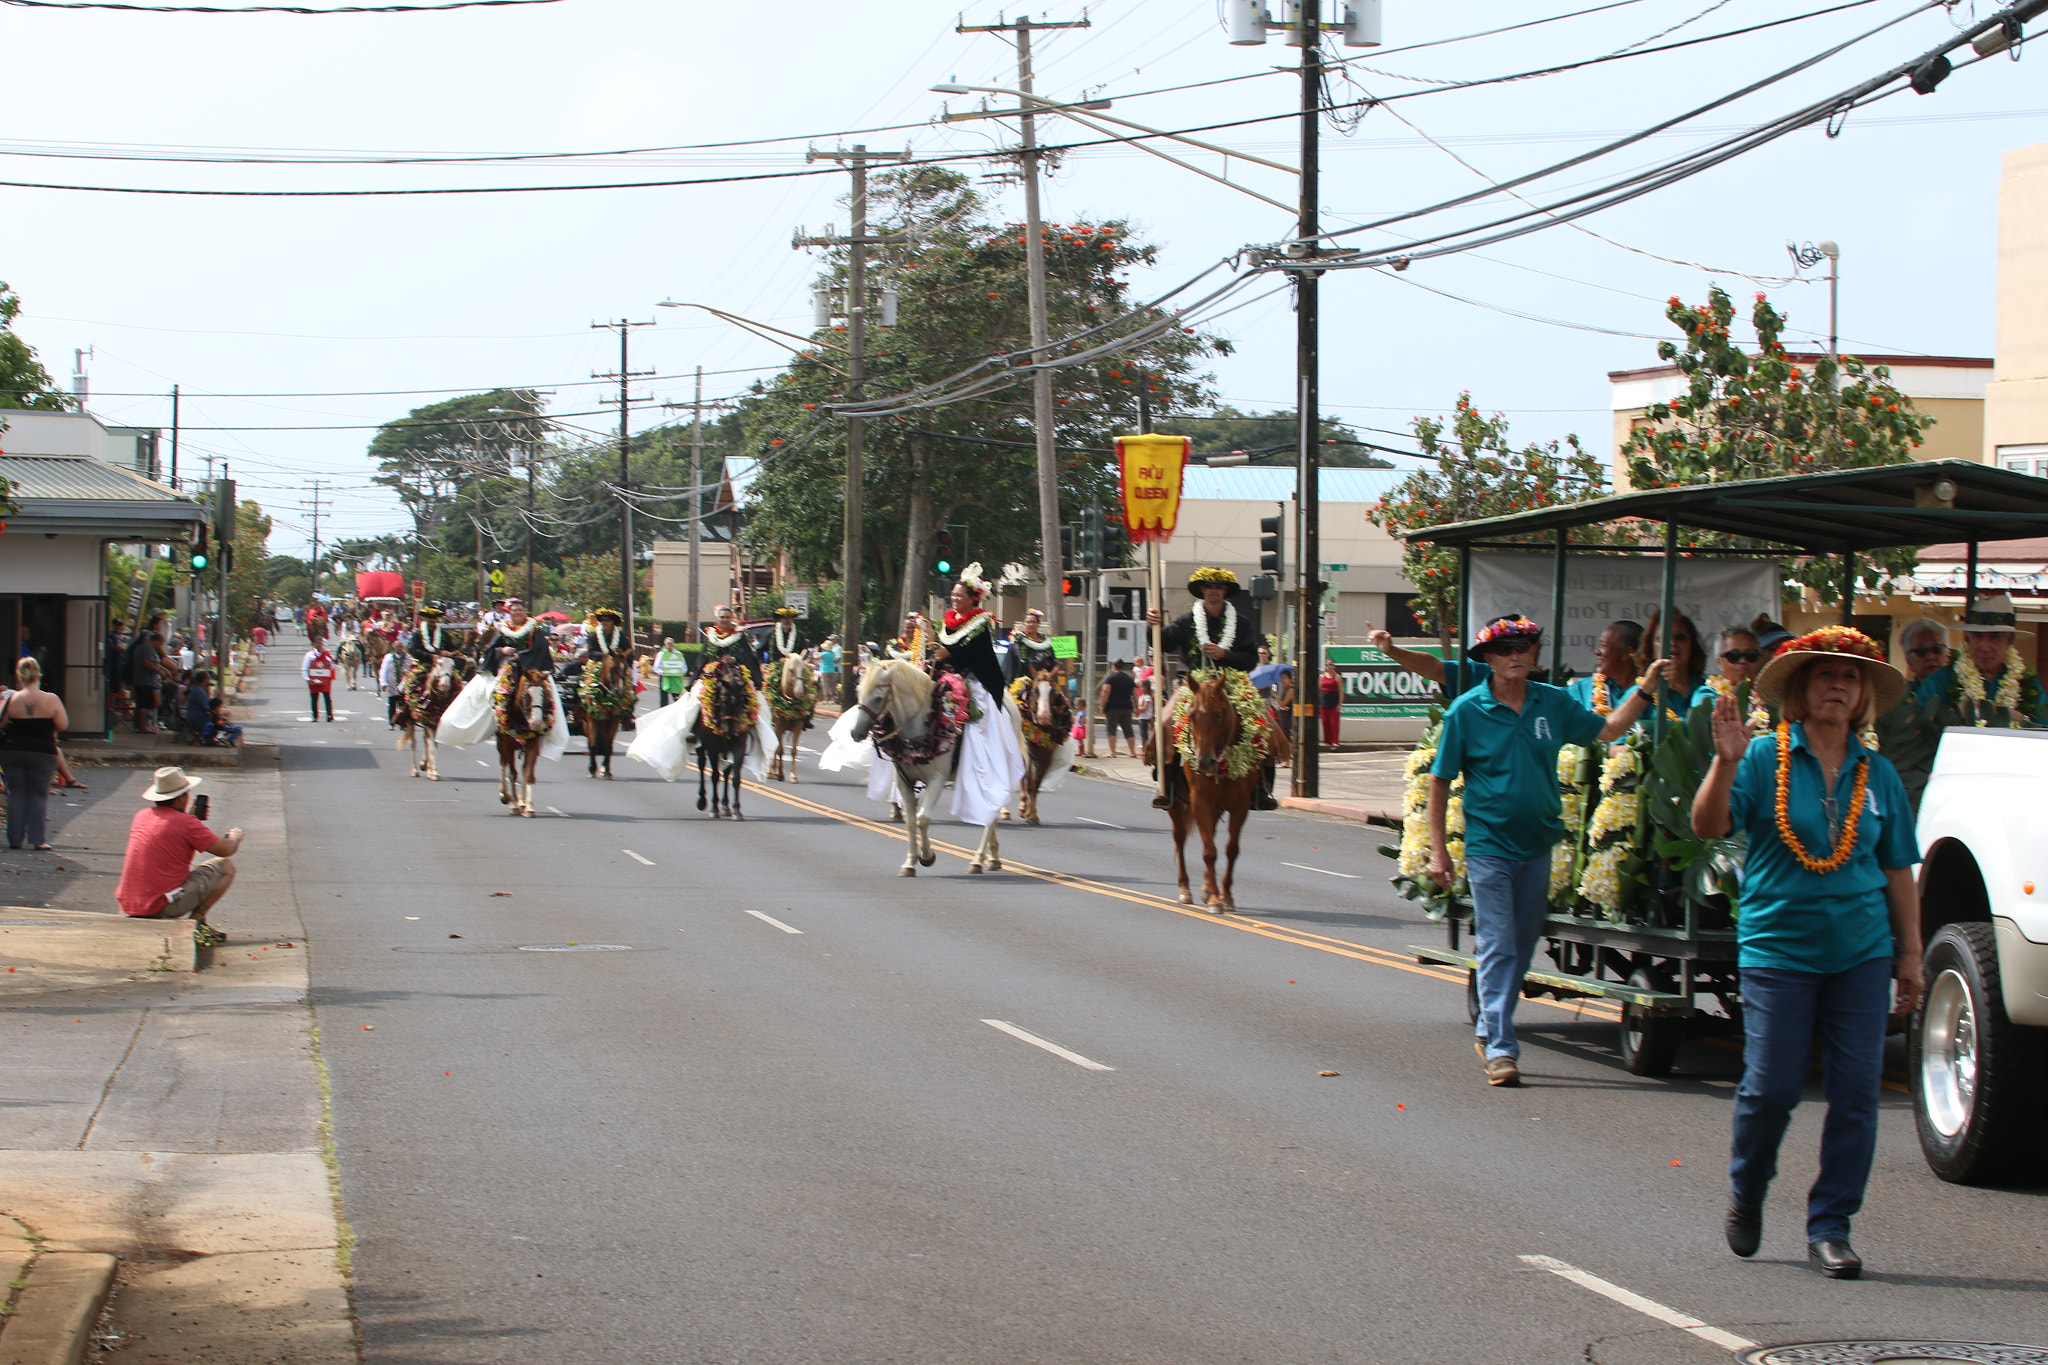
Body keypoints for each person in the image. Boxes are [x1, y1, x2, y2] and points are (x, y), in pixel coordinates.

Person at [1691, 626, 1921, 1279]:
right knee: (1772, 1087)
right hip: (1778, 948)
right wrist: (1726, 760)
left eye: (1851, 678)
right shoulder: (1763, 757)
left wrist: (1911, 954)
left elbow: (1898, 867)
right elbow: (1709, 826)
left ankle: (1831, 1226)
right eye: (1826, 675)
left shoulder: (1879, 775)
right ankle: (1748, 1189)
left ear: (1864, 696)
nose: (1839, 687)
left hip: (1861, 952)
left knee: (1855, 1094)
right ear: (1799, 688)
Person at [1428, 615, 1669, 1087]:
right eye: (1504, 650)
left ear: (1535, 654)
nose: (1515, 656)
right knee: (1498, 942)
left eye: (1524, 647)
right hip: (1488, 848)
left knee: (1519, 947)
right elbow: (1440, 781)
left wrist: (1645, 687)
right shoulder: (1466, 711)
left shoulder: (1552, 703)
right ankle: (1500, 1046)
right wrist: (1440, 853)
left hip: (1538, 847)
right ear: (1489, 660)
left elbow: (1609, 729)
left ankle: (1488, 1028)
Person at [1144, 567, 1279, 811]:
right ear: (1202, 590)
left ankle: (1264, 789)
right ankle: (1166, 786)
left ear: (1225, 591)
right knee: (1164, 721)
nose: (1213, 591)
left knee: (1267, 725)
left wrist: (1225, 654)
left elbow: (1250, 660)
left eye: (1218, 587)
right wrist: (1152, 625)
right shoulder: (1186, 620)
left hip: (1232, 684)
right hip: (1193, 685)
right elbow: (1162, 642)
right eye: (1208, 586)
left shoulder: (1242, 623)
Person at [929, 565, 1029, 825]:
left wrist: (950, 654)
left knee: (978, 727)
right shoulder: (948, 619)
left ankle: (975, 770)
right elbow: (944, 647)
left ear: (973, 597)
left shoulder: (982, 621)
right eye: (953, 594)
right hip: (946, 676)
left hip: (974, 680)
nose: (954, 598)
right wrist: (934, 648)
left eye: (959, 595)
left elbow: (979, 654)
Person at [115, 766, 242, 948]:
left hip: (129, 904)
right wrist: (235, 836)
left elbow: (168, 830)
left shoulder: (141, 816)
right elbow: (226, 850)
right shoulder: (187, 824)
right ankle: (197, 922)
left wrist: (189, 818)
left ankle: (200, 923)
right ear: (182, 797)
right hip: (160, 905)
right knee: (225, 867)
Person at [1929, 593, 2046, 727]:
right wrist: (1953, 713)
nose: (1984, 647)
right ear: (1968, 639)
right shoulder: (1941, 680)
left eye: (1994, 637)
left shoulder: (2029, 684)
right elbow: (1915, 729)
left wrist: (2021, 719)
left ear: (2009, 641)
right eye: (1978, 636)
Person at [1, 657, 68, 850]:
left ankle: (14, 839)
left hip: (13, 750)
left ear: (20, 676)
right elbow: (62, 724)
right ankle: (38, 839)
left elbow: (2, 722)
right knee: (38, 794)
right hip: (42, 751)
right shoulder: (51, 699)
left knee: (16, 794)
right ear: (39, 674)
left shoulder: (11, 698)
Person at [1367, 624, 1491, 702]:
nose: (1511, 658)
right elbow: (1432, 667)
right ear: (1491, 658)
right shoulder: (1480, 671)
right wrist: (1392, 650)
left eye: (1512, 649)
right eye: (1504, 650)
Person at [1637, 608, 1705, 723]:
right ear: (1651, 648)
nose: (1672, 643)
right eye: (1664, 638)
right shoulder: (1639, 694)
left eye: (1680, 637)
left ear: (1692, 645)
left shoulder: (1708, 690)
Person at [1564, 620, 1642, 716]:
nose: (1597, 652)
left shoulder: (1650, 691)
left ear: (1627, 652)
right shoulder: (1583, 688)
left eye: (1604, 645)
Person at [1695, 626, 1764, 709]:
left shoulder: (1768, 699)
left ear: (1759, 661)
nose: (1743, 660)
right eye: (1734, 655)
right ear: (1719, 662)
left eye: (1751, 655)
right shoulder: (1706, 695)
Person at [696, 604, 763, 684]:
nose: (724, 620)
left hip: (737, 673)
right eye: (722, 617)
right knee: (696, 692)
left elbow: (747, 656)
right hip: (713, 673)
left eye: (727, 617)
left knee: (753, 692)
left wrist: (734, 659)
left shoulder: (740, 635)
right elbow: (703, 658)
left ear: (732, 619)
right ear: (717, 619)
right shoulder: (711, 636)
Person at [1897, 618, 1950, 704]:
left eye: (1937, 649)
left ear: (1948, 653)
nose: (1930, 656)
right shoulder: (1900, 697)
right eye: (1921, 651)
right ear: (1909, 661)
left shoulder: (1965, 688)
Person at [1097, 660, 1139, 758]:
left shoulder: (1110, 678)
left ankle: (1112, 752)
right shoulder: (1129, 679)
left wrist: (1102, 705)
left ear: (1113, 666)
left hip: (1113, 706)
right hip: (1127, 706)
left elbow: (1105, 692)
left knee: (1111, 729)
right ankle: (1132, 752)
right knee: (1128, 729)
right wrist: (1136, 707)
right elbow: (1135, 694)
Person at [1004, 608, 1058, 684]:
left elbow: (1052, 662)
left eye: (1033, 622)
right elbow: (1011, 668)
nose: (1031, 624)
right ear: (1024, 624)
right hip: (1022, 683)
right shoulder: (1017, 644)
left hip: (1045, 680)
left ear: (1038, 624)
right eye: (1028, 622)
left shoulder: (1047, 643)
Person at [303, 641, 336, 721]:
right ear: (314, 644)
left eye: (320, 644)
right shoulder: (309, 655)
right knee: (314, 698)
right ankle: (314, 715)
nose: (319, 645)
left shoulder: (327, 654)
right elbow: (305, 668)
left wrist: (330, 665)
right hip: (313, 680)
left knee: (327, 697)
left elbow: (333, 665)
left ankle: (329, 715)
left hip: (324, 680)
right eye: (317, 643)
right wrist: (307, 679)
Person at [655, 636, 691, 706]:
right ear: (665, 644)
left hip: (676, 679)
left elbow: (684, 667)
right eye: (668, 643)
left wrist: (680, 673)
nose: (670, 645)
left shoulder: (678, 654)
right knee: (664, 698)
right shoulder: (661, 654)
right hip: (665, 678)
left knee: (677, 698)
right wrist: (663, 673)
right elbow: (656, 667)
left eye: (671, 643)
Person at [1318, 658, 1343, 748]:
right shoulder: (1321, 677)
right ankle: (1327, 740)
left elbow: (1341, 691)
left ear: (1334, 666)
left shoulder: (1337, 677)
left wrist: (1340, 704)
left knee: (1334, 723)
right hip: (1324, 702)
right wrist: (1318, 702)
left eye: (1331, 664)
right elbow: (1319, 690)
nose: (1329, 666)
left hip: (1334, 702)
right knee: (1325, 722)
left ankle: (1335, 741)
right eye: (1327, 665)